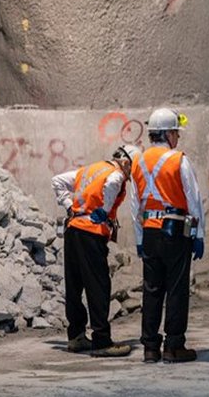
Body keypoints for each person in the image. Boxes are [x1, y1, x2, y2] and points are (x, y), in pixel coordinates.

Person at [129, 107, 206, 363]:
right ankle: (174, 346)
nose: (178, 137)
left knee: (151, 290)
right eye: (176, 133)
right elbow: (193, 200)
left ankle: (150, 348)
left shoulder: (138, 161)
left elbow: (135, 205)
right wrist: (198, 234)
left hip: (150, 231)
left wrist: (139, 239)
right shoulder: (179, 160)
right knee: (176, 289)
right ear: (168, 134)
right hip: (175, 231)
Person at [51, 145, 141, 357]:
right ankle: (102, 341)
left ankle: (76, 336)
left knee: (74, 285)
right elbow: (113, 183)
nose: (132, 175)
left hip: (73, 229)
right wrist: (105, 209)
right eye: (133, 169)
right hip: (91, 233)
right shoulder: (116, 174)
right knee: (98, 285)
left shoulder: (89, 170)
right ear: (126, 162)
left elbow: (57, 181)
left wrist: (69, 206)